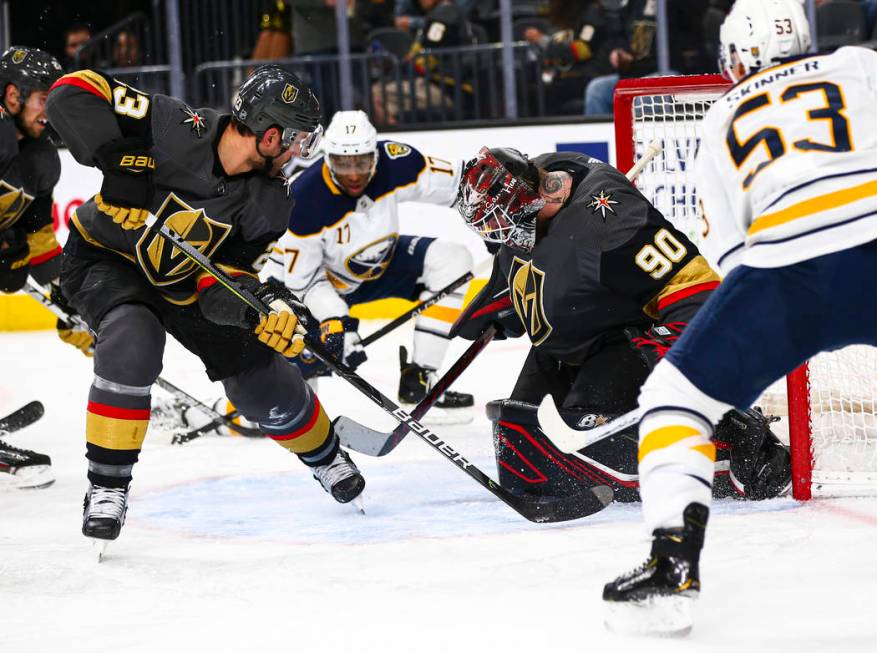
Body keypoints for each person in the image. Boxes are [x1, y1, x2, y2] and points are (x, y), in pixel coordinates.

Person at [601, 0, 877, 636]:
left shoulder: (723, 114)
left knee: (674, 396)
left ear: (731, 58)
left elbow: (731, 256)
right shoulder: (856, 66)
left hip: (786, 271)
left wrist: (767, 334)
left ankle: (671, 565)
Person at [46, 64, 365, 544]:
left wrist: (256, 310)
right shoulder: (172, 123)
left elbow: (224, 283)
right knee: (134, 337)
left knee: (263, 385)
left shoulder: (272, 202)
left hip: (191, 283)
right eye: (297, 139)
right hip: (107, 259)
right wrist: (120, 161)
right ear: (270, 134)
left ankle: (326, 455)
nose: (301, 151)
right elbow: (69, 92)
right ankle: (107, 486)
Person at [450, 146, 792, 504]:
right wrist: (503, 302)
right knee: (522, 442)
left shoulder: (608, 219)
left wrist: (677, 348)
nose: (492, 232)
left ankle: (733, 437)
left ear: (528, 202)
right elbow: (537, 266)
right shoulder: (531, 195)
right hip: (563, 347)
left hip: (622, 343)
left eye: (497, 221)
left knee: (589, 454)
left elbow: (696, 287)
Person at [266, 109, 475, 419]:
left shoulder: (397, 162)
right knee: (284, 409)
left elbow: (460, 184)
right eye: (342, 163)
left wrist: (488, 216)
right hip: (311, 295)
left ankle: (420, 380)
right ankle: (220, 414)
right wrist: (338, 323)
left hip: (380, 268)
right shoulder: (303, 201)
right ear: (328, 158)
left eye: (361, 162)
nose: (353, 174)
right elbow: (304, 283)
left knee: (453, 260)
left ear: (374, 155)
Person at [0, 46, 91, 490]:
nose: (49, 111)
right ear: (13, 95)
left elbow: (37, 240)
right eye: (42, 99)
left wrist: (67, 298)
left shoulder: (38, 157)